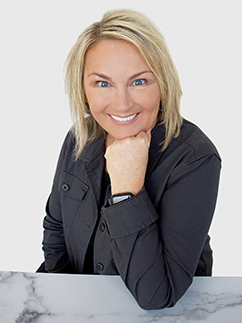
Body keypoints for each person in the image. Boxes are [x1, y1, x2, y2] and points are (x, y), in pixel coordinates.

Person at [37, 9, 221, 310]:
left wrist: (127, 191)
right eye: (103, 83)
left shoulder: (195, 158)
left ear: (162, 83)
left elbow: (157, 295)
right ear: (82, 90)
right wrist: (64, 301)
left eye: (139, 82)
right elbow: (55, 230)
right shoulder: (79, 138)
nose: (122, 104)